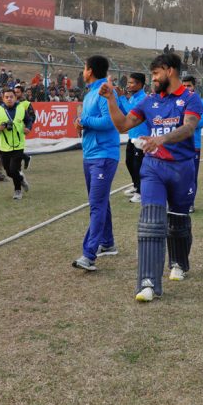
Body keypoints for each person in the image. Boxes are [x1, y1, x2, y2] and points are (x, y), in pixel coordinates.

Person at [101, 53, 203, 302]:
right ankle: (147, 282)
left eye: (156, 74)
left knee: (178, 222)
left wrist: (161, 138)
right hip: (154, 168)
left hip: (182, 169)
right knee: (151, 222)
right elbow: (123, 125)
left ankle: (178, 262)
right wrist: (111, 99)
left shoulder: (191, 99)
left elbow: (189, 127)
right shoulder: (149, 101)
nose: (153, 79)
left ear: (169, 71)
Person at [71, 56, 121, 272]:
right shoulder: (91, 92)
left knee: (96, 204)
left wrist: (84, 121)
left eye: (84, 67)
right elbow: (91, 121)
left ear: (89, 70)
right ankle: (107, 243)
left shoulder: (104, 91)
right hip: (90, 155)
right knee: (100, 201)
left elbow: (109, 122)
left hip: (104, 155)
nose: (83, 71)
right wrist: (80, 123)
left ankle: (89, 255)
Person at [0, 88, 33, 199]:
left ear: (15, 97)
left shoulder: (21, 108)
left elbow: (29, 120)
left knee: (14, 169)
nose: (9, 99)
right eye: (7, 97)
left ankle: (17, 191)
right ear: (3, 99)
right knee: (8, 172)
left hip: (18, 144)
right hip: (4, 146)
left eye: (11, 97)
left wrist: (28, 128)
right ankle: (21, 178)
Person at [118, 72, 149, 203]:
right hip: (132, 136)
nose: (128, 85)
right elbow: (126, 113)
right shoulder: (132, 97)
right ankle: (136, 185)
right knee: (129, 162)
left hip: (141, 137)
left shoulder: (143, 98)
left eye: (131, 83)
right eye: (129, 82)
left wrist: (122, 98)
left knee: (138, 165)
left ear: (140, 84)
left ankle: (141, 192)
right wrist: (118, 100)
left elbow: (132, 111)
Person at [182, 75, 203, 212]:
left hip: (194, 145)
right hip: (178, 145)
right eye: (184, 86)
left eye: (189, 86)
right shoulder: (177, 101)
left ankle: (190, 202)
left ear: (194, 87)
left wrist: (184, 121)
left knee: (191, 176)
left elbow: (201, 122)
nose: (186, 89)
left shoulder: (201, 102)